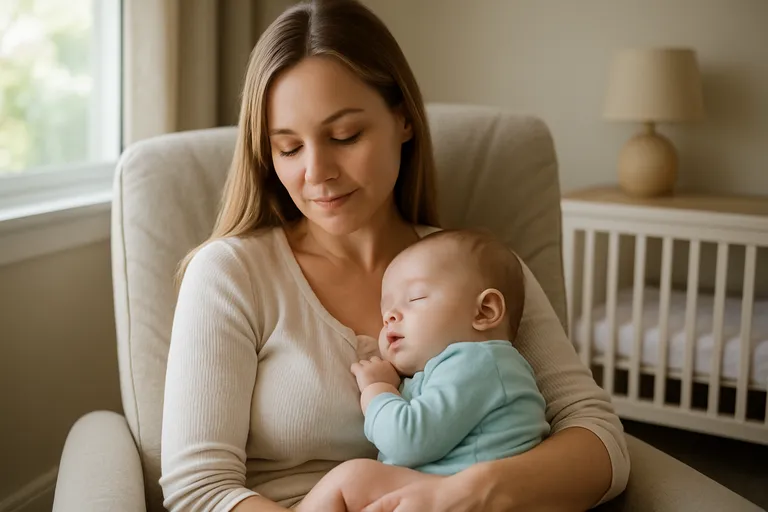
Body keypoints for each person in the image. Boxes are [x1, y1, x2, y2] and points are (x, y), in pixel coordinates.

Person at [160, 0, 630, 510]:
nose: (317, 173)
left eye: (345, 135)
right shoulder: (232, 274)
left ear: (403, 120)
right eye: (289, 148)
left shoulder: (477, 271)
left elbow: (598, 438)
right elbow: (199, 491)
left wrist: (468, 493)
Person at [295, 229, 551, 512]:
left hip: (463, 501)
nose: (389, 316)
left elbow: (407, 440)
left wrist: (377, 390)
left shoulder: (479, 362)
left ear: (484, 311)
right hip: (437, 496)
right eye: (385, 312)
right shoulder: (458, 368)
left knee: (353, 478)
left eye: (415, 298)